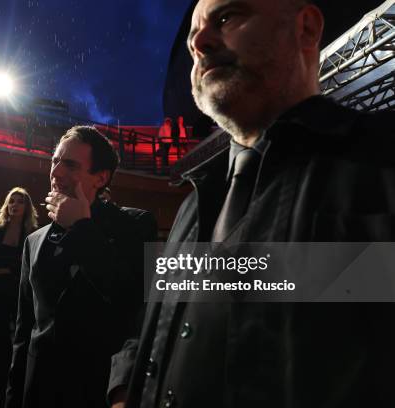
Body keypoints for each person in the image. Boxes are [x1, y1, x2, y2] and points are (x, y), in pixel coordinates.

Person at [123, 0, 395, 407]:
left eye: (227, 17)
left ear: (305, 28)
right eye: (194, 34)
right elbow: (154, 331)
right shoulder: (187, 210)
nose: (198, 41)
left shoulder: (384, 163)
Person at [6, 126, 157, 408]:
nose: (57, 173)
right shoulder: (34, 240)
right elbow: (24, 332)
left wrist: (80, 228)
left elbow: (131, 300)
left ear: (101, 177)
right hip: (39, 391)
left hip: (98, 389)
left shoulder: (135, 225)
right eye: (55, 161)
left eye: (71, 165)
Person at [0, 187, 38, 408]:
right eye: (11, 201)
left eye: (20, 202)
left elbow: (28, 266)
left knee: (21, 348)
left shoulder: (32, 234)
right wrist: (10, 266)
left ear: (27, 207)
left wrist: (5, 267)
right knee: (1, 351)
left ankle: (16, 400)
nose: (15, 205)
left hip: (20, 294)